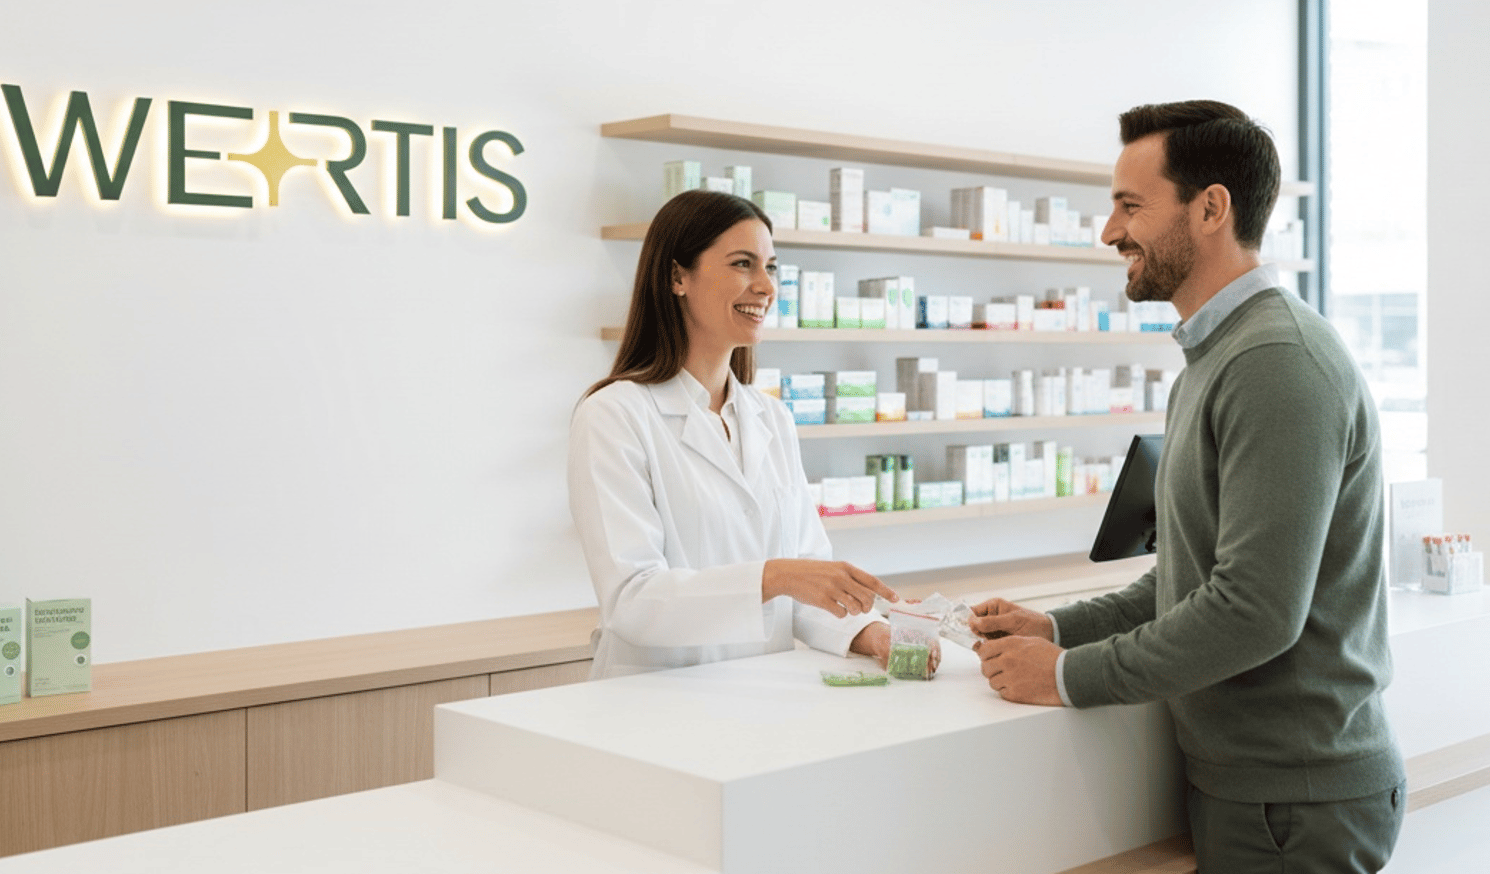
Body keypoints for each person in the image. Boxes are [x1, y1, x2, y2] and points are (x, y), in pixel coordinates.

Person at [971, 101, 1406, 873]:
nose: (1110, 233)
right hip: (1261, 794)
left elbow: (1254, 611)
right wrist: (1057, 631)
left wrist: (1069, 678)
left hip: (1293, 803)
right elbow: (1190, 579)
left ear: (1211, 208)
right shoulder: (1218, 356)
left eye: (1130, 207)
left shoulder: (1277, 362)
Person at [569, 189, 913, 680]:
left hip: (760, 694)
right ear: (676, 276)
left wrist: (870, 633)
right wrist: (773, 577)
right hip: (653, 703)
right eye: (742, 264)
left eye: (770, 267)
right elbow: (633, 599)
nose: (765, 286)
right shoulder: (614, 415)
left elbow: (809, 581)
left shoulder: (771, 419)